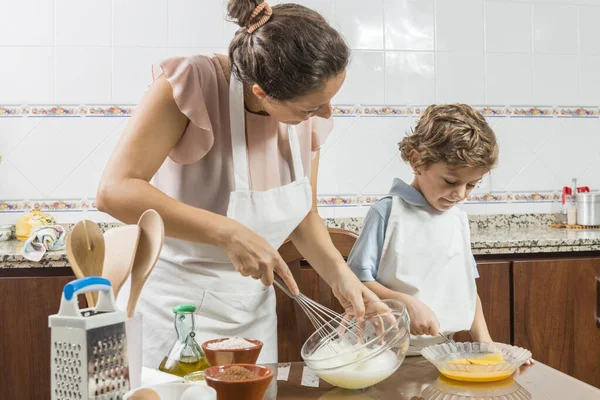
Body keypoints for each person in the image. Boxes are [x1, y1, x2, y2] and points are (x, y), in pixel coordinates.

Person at [97, 0, 382, 367]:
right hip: (174, 318)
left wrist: (342, 278)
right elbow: (114, 190)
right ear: (263, 92)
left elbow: (304, 216)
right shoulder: (191, 83)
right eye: (312, 108)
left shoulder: (303, 112)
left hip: (252, 321)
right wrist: (227, 232)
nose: (326, 114)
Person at [347, 104, 498, 355]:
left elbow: (467, 290)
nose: (460, 194)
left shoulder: (457, 220)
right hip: (380, 351)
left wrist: (485, 341)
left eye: (471, 185)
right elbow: (356, 282)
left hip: (439, 353)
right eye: (451, 181)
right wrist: (404, 303)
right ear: (417, 161)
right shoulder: (387, 213)